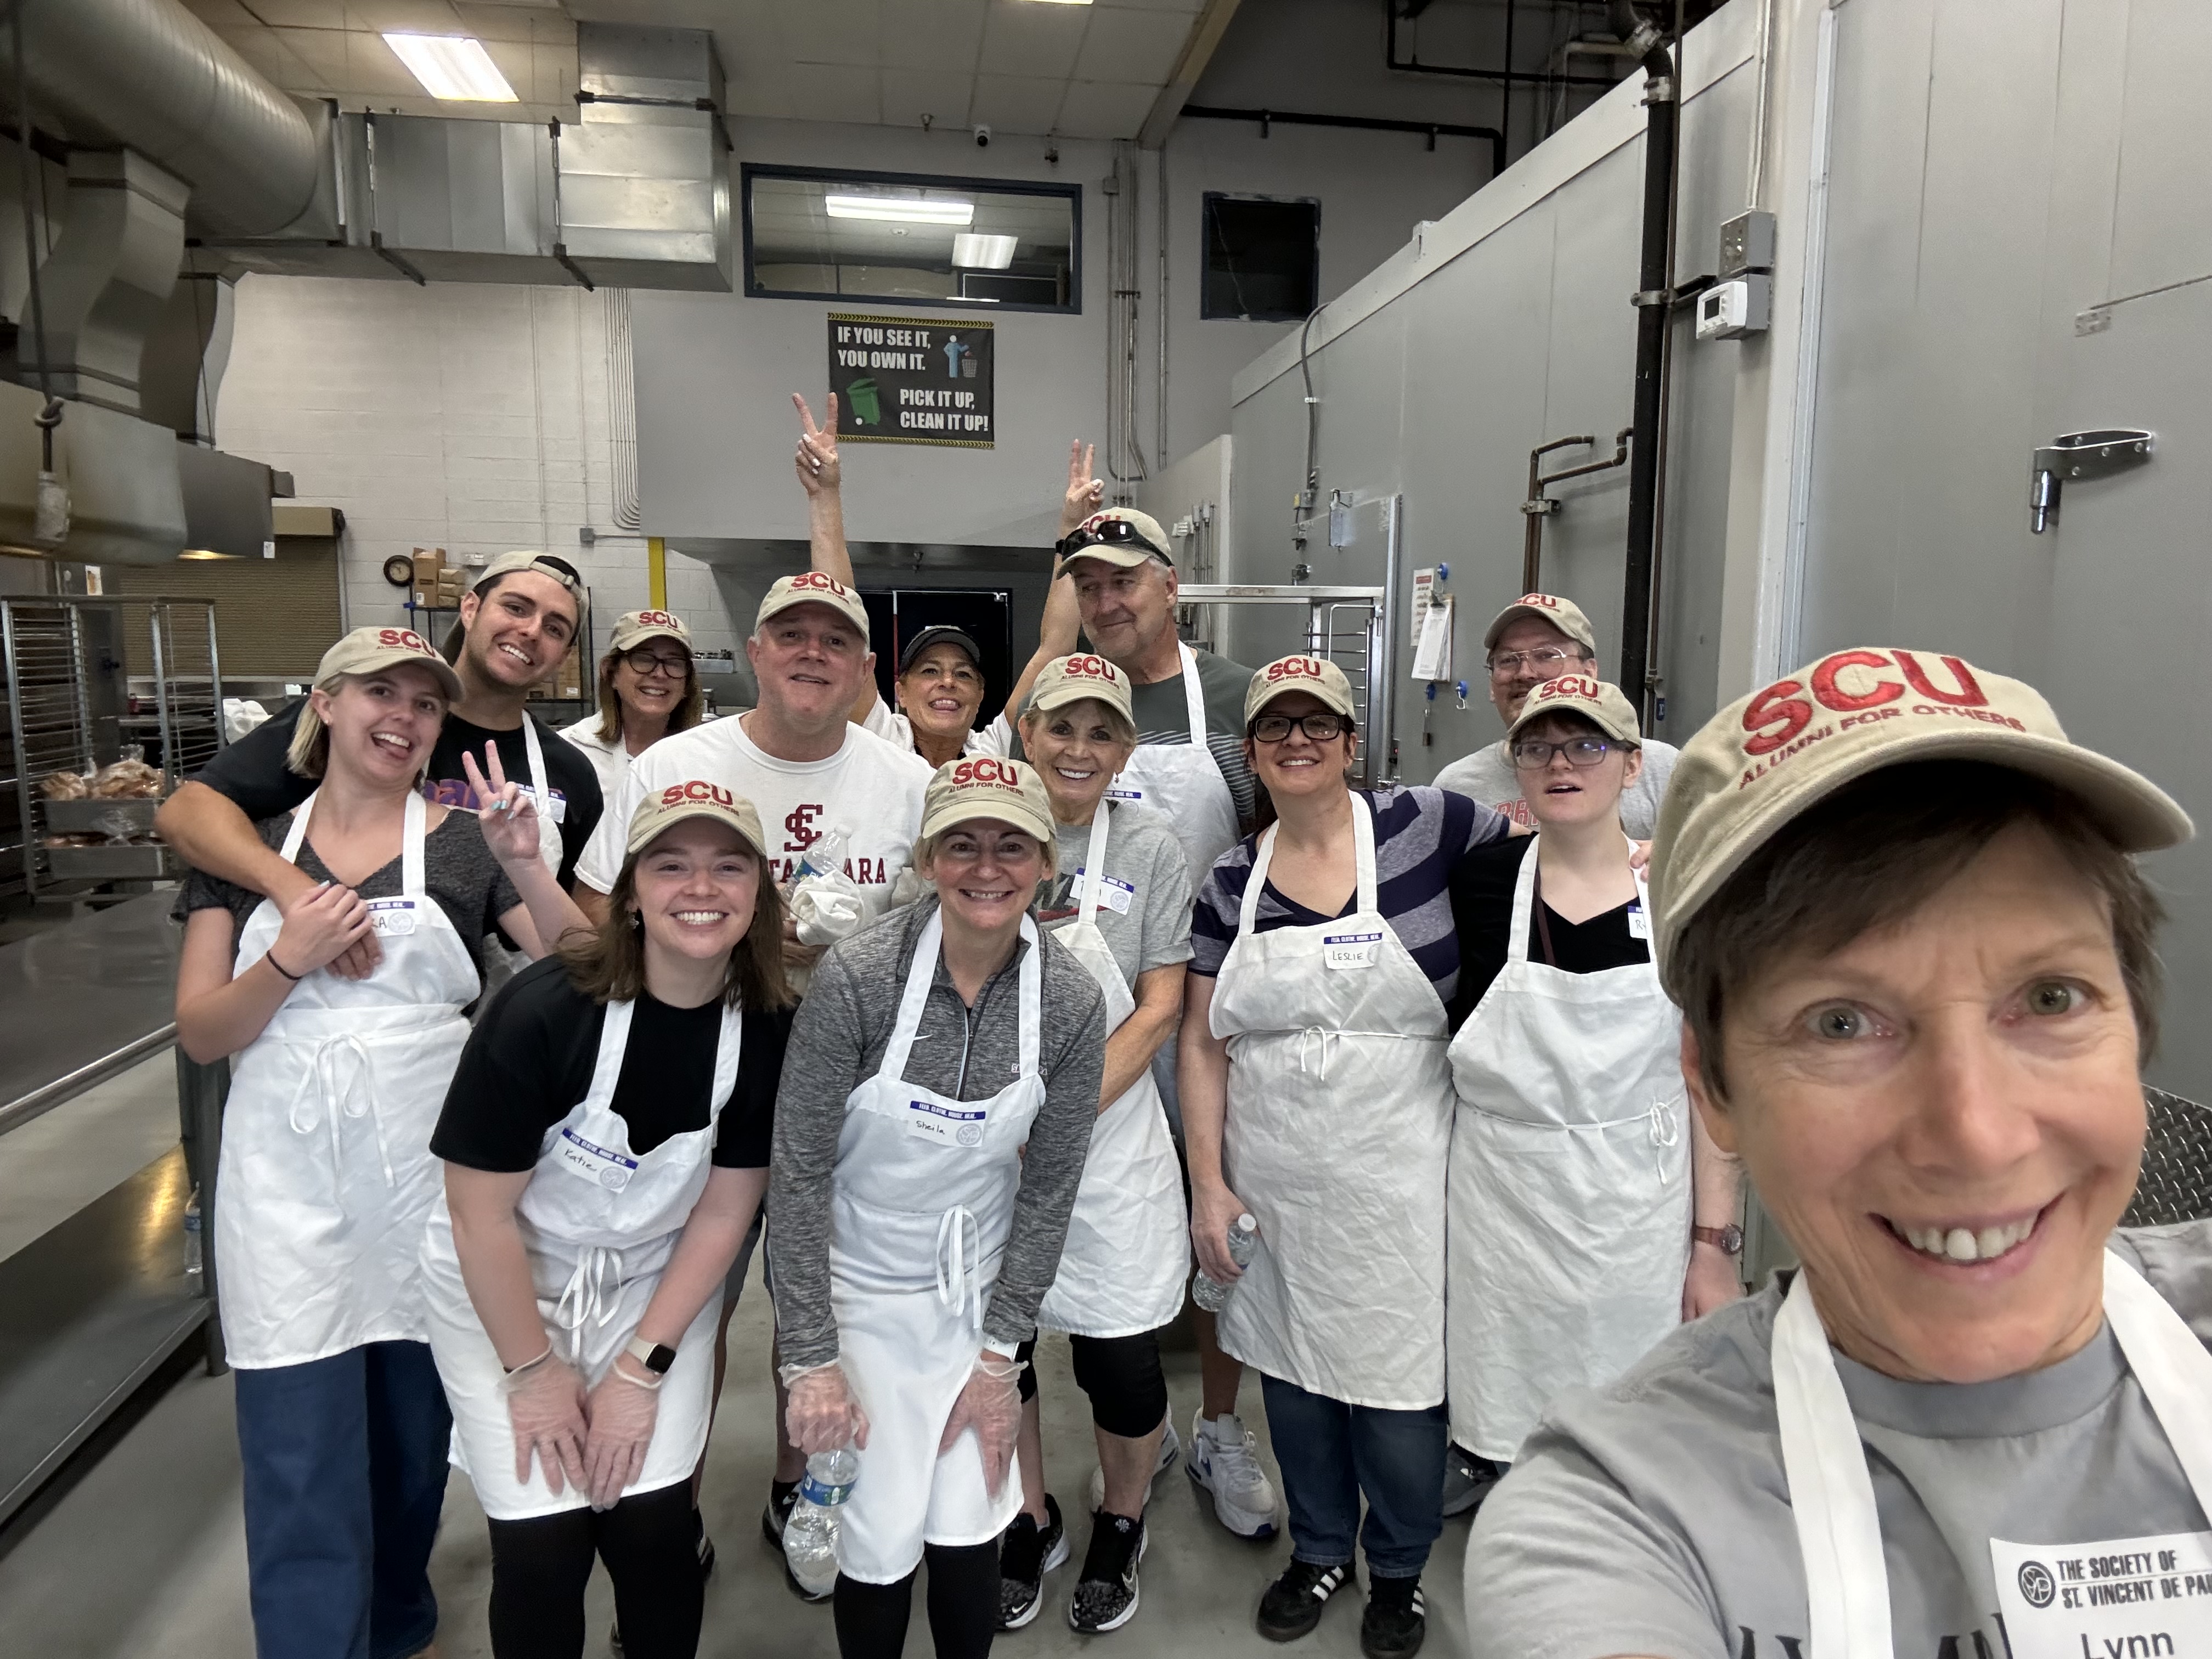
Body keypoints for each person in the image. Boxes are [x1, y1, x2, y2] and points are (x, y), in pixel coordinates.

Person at [1462, 647, 2209, 1659]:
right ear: (1713, 1087)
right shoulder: (1620, 1511)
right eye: (1842, 1022)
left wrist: (1709, 1242)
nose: (1976, 1135)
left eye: (2048, 998)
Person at [171, 625, 589, 1659]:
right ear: (323, 704)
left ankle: (397, 1625)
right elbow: (204, 1031)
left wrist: (529, 865)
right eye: (379, 693)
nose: (403, 717)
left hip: (423, 1173)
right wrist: (291, 956)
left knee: (414, 1434)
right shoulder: (251, 849)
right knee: (298, 1435)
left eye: (425, 703)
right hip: (286, 1183)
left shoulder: (465, 842)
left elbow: (588, 968)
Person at [573, 569, 932, 1564]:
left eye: (835, 639)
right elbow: (597, 904)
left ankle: (798, 1488)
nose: (812, 652)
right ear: (757, 652)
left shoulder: (904, 781)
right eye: (792, 635)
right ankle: (668, 1516)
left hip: (853, 1083)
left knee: (822, 1302)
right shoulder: (678, 764)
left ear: (865, 667)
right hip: (703, 1066)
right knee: (691, 1300)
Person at [1182, 654, 1512, 1659]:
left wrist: (1629, 853)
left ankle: (1399, 1569)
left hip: (1404, 1166)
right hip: (1276, 1167)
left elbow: (1540, 845)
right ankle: (1319, 1547)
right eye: (1276, 727)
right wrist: (1208, 1183)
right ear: (1251, 752)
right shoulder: (1231, 880)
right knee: (1293, 1374)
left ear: (1351, 741)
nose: (1298, 740)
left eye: (1317, 723)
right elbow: (1201, 1040)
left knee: (1402, 1392)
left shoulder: (1426, 824)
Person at [420, 781, 793, 1659]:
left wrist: (639, 1369)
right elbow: (478, 1216)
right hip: (503, 1286)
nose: (700, 888)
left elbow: (725, 1211)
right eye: (670, 866)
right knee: (545, 1549)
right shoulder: (544, 1012)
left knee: (654, 1532)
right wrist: (532, 1372)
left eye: (728, 867)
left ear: (758, 896)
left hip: (651, 1284)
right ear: (630, 896)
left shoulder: (768, 1029)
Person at [770, 757, 1109, 1659]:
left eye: (1011, 845)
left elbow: (1050, 1188)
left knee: (969, 1528)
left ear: (1045, 861)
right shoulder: (860, 976)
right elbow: (797, 1172)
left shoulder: (1069, 1002)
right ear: (926, 858)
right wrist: (810, 1357)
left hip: (972, 1303)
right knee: (876, 1542)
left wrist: (1001, 1357)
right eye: (962, 844)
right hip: (858, 1298)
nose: (986, 867)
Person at [1032, 448, 1276, 1539]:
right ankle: (1128, 1431)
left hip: (1206, 1009)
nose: (1107, 600)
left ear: (1170, 586)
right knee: (1096, 1236)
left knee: (1217, 1220)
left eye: (1124, 580)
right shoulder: (1060, 693)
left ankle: (1220, 1422)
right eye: (1088, 585)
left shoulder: (1231, 698)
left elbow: (1281, 832)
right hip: (1082, 1013)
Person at [1442, 673, 1742, 1522]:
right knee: (1502, 1391)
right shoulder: (1479, 882)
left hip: (1635, 1210)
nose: (1561, 763)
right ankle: (1497, 1470)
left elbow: (1709, 1090)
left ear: (1633, 764)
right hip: (1504, 1203)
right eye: (1538, 747)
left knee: (1632, 1418)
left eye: (1586, 744)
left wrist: (1714, 1246)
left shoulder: (1680, 893)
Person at [996, 654, 1193, 1635]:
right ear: (1026, 733)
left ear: (1126, 748)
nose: (1078, 748)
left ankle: (1123, 1513)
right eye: (1060, 726)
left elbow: (1158, 1007)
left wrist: (1058, 1119)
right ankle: (1025, 1515)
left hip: (1108, 1145)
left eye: (1101, 731)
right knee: (1004, 1345)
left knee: (1120, 1356)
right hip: (988, 1139)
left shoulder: (1151, 847)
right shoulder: (988, 827)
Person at [159, 551, 605, 985]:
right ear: (470, 608)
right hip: (322, 982)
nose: (530, 631)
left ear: (564, 657)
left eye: (554, 628)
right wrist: (296, 891)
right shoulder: (353, 729)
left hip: (500, 1002)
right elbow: (186, 813)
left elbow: (576, 930)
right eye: (516, 607)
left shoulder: (570, 771)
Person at [789, 391, 1014, 763]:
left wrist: (1072, 533)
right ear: (902, 693)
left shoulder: (991, 755)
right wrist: (824, 494)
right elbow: (839, 609)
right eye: (930, 671)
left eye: (964, 675)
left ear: (980, 696)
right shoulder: (883, 738)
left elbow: (1053, 648)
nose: (947, 682)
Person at [1432, 592, 1680, 838]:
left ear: (1589, 673)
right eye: (1508, 660)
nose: (1525, 673)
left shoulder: (1663, 770)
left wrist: (1663, 858)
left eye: (1547, 655)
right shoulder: (1458, 789)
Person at [561, 608, 703, 802]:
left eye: (674, 663)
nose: (660, 674)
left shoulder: (704, 756)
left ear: (687, 683)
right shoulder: (571, 751)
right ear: (611, 673)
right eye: (644, 659)